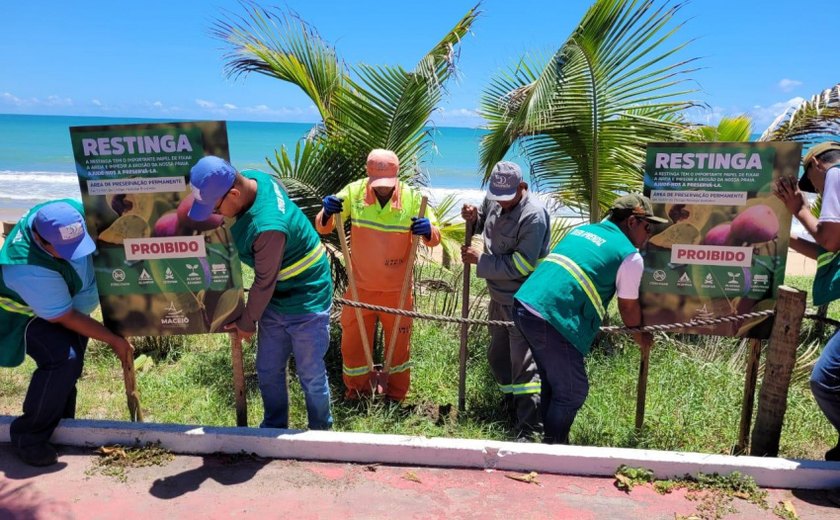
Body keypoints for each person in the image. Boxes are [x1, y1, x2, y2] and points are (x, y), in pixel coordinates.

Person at [187, 156, 334, 430]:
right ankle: (274, 427)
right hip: (277, 295)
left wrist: (246, 321)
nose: (214, 215)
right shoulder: (253, 177)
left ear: (233, 194)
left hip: (307, 298)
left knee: (311, 374)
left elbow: (264, 281)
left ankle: (322, 432)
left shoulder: (268, 228)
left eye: (215, 208)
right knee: (268, 369)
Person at [512, 194, 666, 444]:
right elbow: (628, 309)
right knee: (573, 391)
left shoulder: (583, 231)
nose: (649, 234)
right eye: (648, 226)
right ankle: (554, 449)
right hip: (552, 317)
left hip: (524, 306)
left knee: (554, 383)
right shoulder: (630, 256)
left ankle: (545, 443)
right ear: (631, 222)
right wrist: (641, 336)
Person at [0, 200, 133, 466]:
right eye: (63, 250)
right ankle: (30, 437)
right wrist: (113, 339)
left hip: (61, 304)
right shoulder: (26, 268)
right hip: (23, 314)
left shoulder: (66, 213)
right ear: (39, 239)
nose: (73, 254)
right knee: (63, 360)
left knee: (70, 370)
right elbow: (64, 315)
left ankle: (61, 426)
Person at [316, 149, 440, 401]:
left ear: (396, 177)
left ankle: (395, 396)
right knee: (353, 346)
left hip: (398, 290)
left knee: (398, 351)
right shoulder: (354, 192)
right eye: (378, 185)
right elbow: (324, 226)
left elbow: (434, 239)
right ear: (368, 175)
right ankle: (357, 393)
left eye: (388, 185)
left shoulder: (413, 198)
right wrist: (327, 211)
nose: (383, 190)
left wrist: (428, 231)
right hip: (360, 288)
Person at [461, 161, 550, 439]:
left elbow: (523, 264)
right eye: (496, 198)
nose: (501, 203)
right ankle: (509, 408)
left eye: (507, 198)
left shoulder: (533, 216)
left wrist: (481, 262)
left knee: (523, 365)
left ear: (522, 188)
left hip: (523, 300)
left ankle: (530, 426)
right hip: (497, 297)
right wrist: (473, 217)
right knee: (498, 357)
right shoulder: (496, 197)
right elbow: (484, 221)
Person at [774, 141, 840, 461]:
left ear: (816, 164)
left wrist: (798, 208)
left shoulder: (837, 176)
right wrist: (786, 238)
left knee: (825, 380)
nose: (812, 188)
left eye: (809, 180)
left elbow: (828, 238)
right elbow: (828, 250)